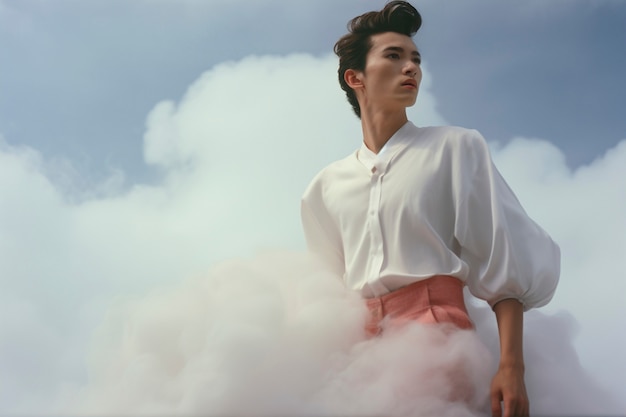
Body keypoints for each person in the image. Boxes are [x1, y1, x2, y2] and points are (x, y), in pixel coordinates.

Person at [300, 2, 560, 417]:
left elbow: (502, 259)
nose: (411, 68)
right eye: (394, 56)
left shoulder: (455, 147)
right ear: (355, 78)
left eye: (416, 59)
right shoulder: (323, 188)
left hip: (435, 331)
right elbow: (326, 294)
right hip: (355, 353)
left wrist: (511, 367)